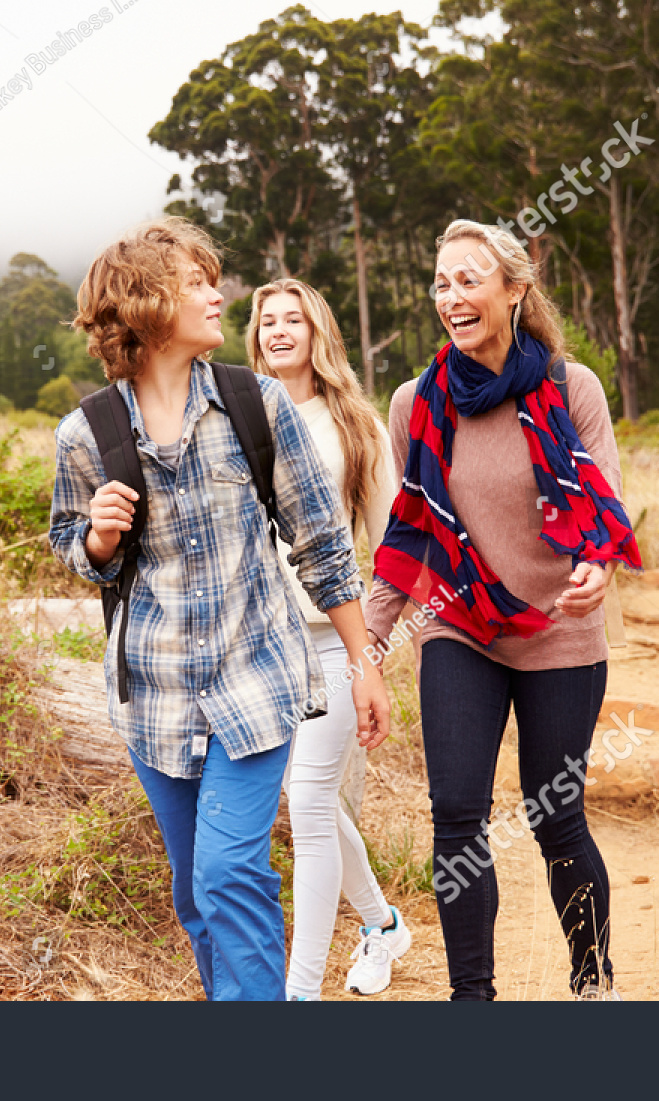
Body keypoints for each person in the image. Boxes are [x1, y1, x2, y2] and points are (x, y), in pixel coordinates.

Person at [49, 218, 392, 1001]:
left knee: (229, 868)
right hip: (156, 698)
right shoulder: (85, 434)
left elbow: (323, 547)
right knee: (195, 895)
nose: (219, 295)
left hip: (258, 678)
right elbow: (72, 545)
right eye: (197, 283)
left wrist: (364, 665)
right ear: (145, 307)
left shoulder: (256, 405)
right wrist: (98, 540)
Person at [364, 219, 642, 1002]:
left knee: (555, 817)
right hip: (459, 626)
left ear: (514, 290)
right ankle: (472, 1000)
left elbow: (605, 504)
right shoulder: (415, 402)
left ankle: (593, 981)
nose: (452, 297)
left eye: (469, 280)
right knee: (455, 812)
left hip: (560, 631)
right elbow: (409, 532)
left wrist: (596, 566)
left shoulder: (571, 387)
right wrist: (368, 651)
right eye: (441, 283)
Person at [246, 278, 409, 999]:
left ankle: (299, 992)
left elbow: (396, 543)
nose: (280, 330)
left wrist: (367, 648)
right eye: (267, 321)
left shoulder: (356, 425)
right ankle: (381, 922)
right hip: (256, 647)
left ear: (317, 332)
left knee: (310, 803)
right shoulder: (235, 413)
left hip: (333, 642)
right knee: (304, 798)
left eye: (293, 319)